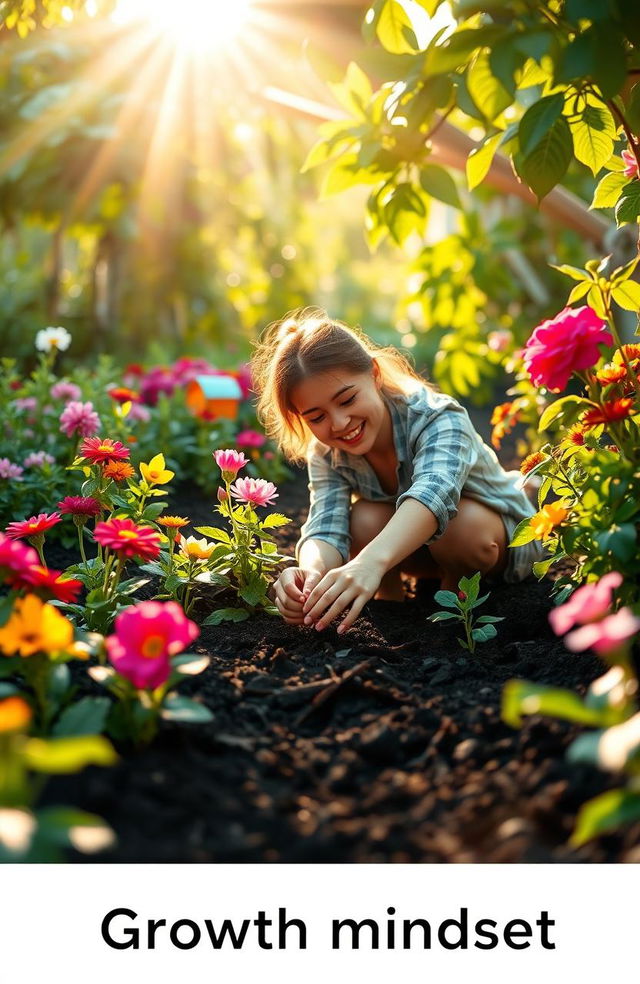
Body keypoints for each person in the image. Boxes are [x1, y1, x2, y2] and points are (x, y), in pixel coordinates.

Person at [251, 307, 542, 636]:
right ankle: (390, 604)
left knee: (459, 528)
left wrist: (369, 562)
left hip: (500, 543)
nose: (339, 423)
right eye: (316, 417)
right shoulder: (328, 452)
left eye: (347, 400)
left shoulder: (437, 417)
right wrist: (308, 575)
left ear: (374, 374)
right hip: (419, 553)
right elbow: (325, 523)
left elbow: (433, 495)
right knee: (362, 518)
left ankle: (452, 612)